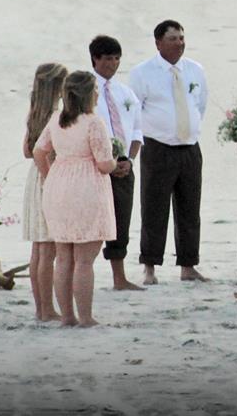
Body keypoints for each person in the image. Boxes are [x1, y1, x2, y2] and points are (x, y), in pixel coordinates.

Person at [33, 71, 117, 327]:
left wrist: (51, 176)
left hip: (58, 187)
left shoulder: (56, 119)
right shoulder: (93, 122)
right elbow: (103, 164)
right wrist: (116, 163)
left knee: (63, 258)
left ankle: (67, 316)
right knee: (83, 260)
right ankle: (86, 317)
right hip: (86, 188)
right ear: (87, 94)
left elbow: (39, 151)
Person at [129, 20, 209, 285]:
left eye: (182, 38)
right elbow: (134, 111)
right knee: (154, 208)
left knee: (189, 209)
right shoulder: (143, 72)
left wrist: (188, 129)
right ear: (158, 43)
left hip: (189, 147)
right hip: (158, 148)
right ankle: (150, 266)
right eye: (173, 39)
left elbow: (200, 104)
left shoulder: (195, 70)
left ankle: (188, 265)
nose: (179, 43)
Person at [89, 35, 145, 291]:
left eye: (116, 58)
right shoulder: (87, 92)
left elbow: (136, 132)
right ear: (95, 59)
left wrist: (129, 160)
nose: (113, 63)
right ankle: (82, 269)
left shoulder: (126, 93)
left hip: (123, 164)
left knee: (121, 221)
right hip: (96, 166)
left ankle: (119, 276)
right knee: (91, 221)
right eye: (108, 58)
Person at [21, 63, 68, 321]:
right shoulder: (56, 116)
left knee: (38, 250)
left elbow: (27, 151)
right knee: (48, 251)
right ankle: (47, 308)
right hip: (49, 174)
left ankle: (41, 308)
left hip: (34, 178)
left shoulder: (34, 114)